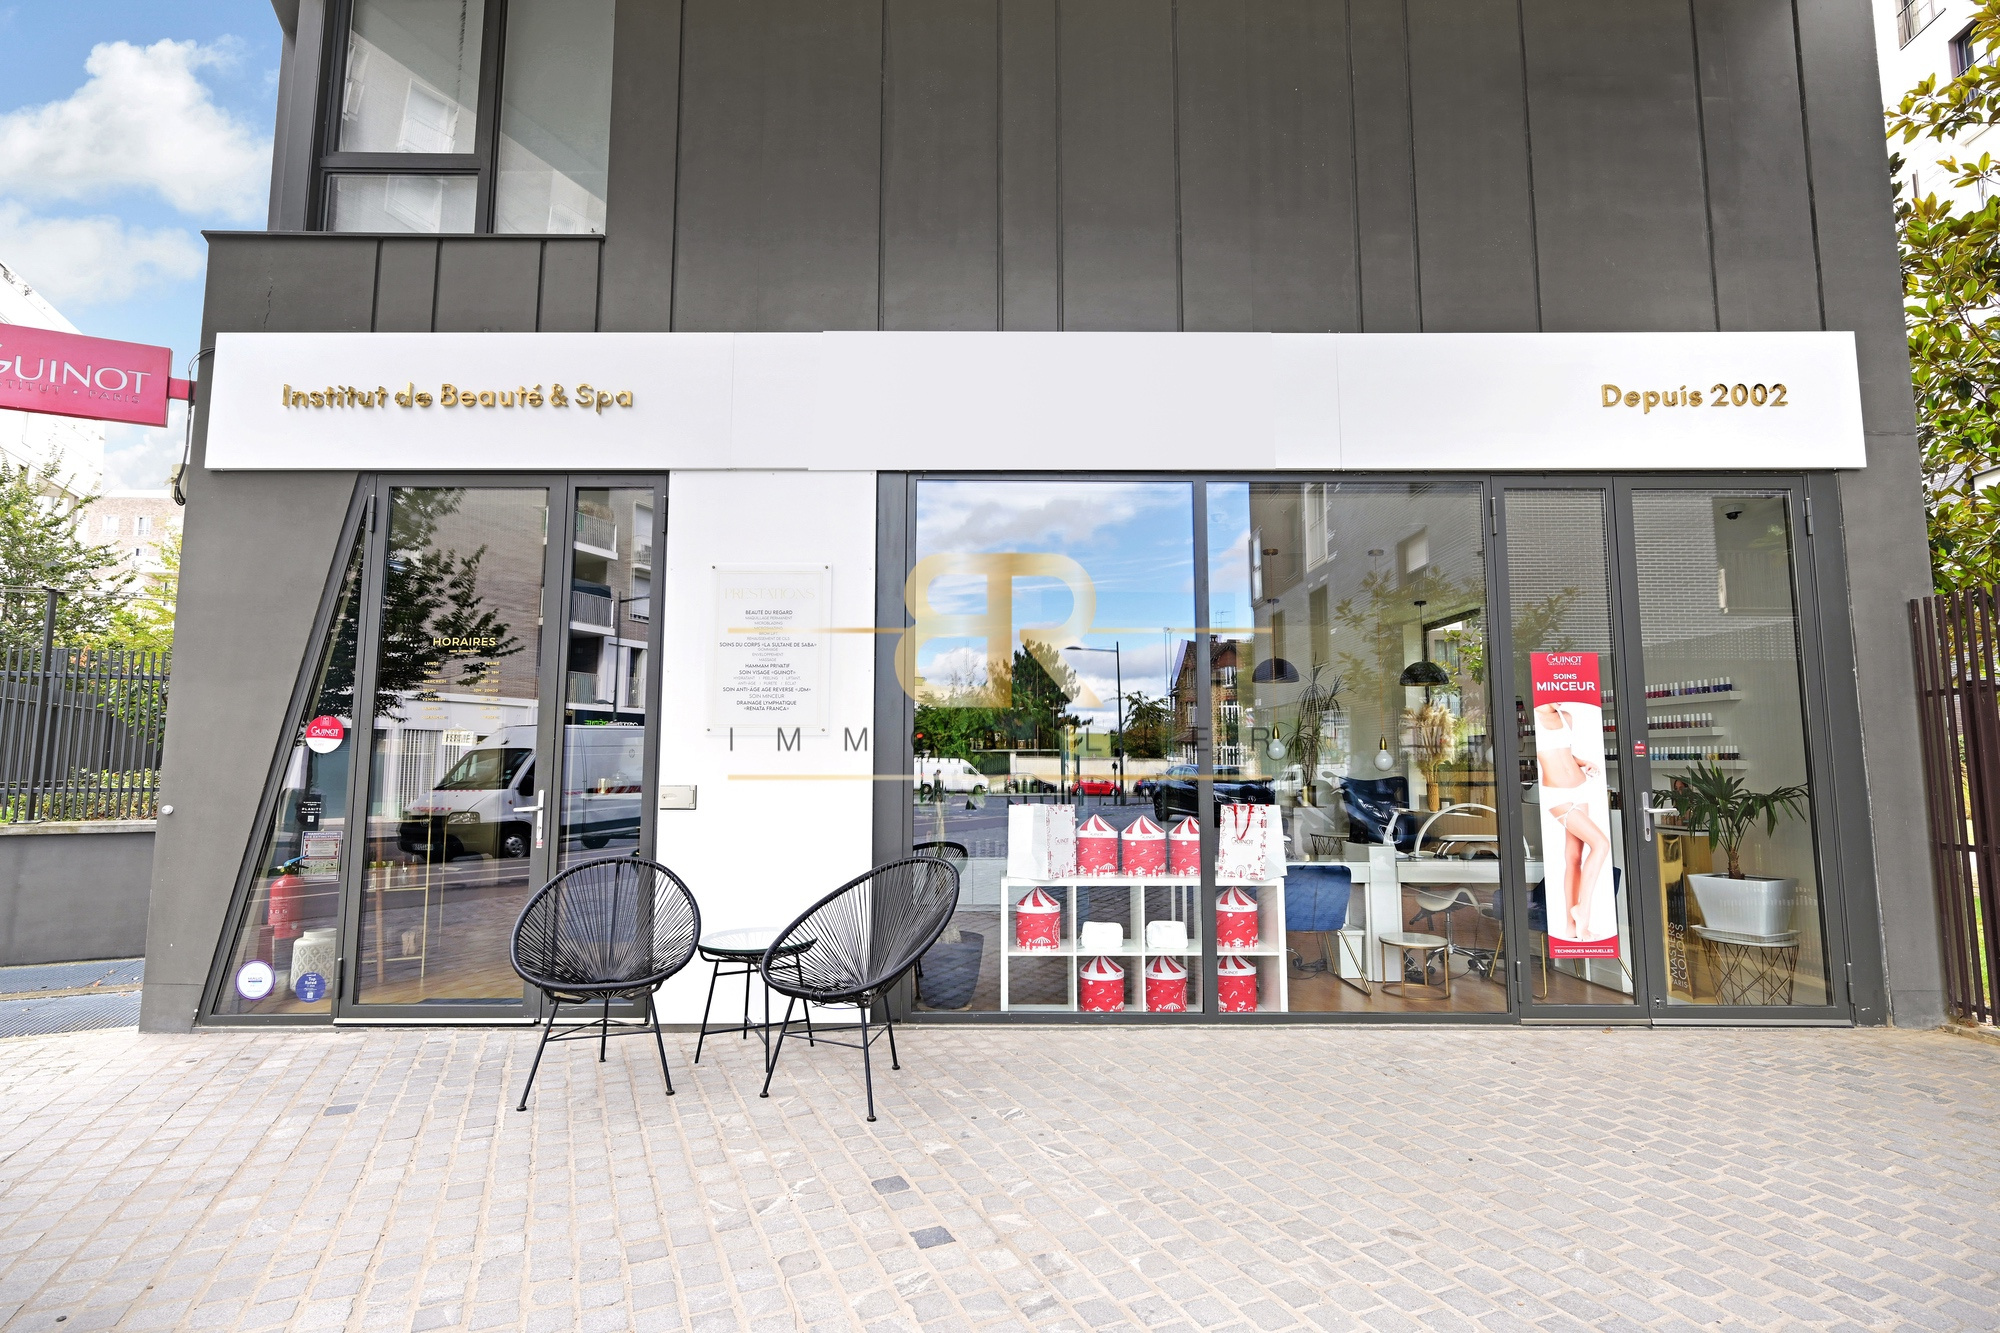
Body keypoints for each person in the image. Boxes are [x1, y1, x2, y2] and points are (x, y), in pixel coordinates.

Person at [1535, 702, 1611, 940]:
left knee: (1574, 857)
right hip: (1556, 794)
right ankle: (1583, 912)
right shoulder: (1534, 719)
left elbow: (1564, 752)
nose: (1559, 699)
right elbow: (1542, 755)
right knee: (1601, 844)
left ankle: (1572, 926)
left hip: (1580, 788)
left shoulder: (1566, 715)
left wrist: (1583, 762)